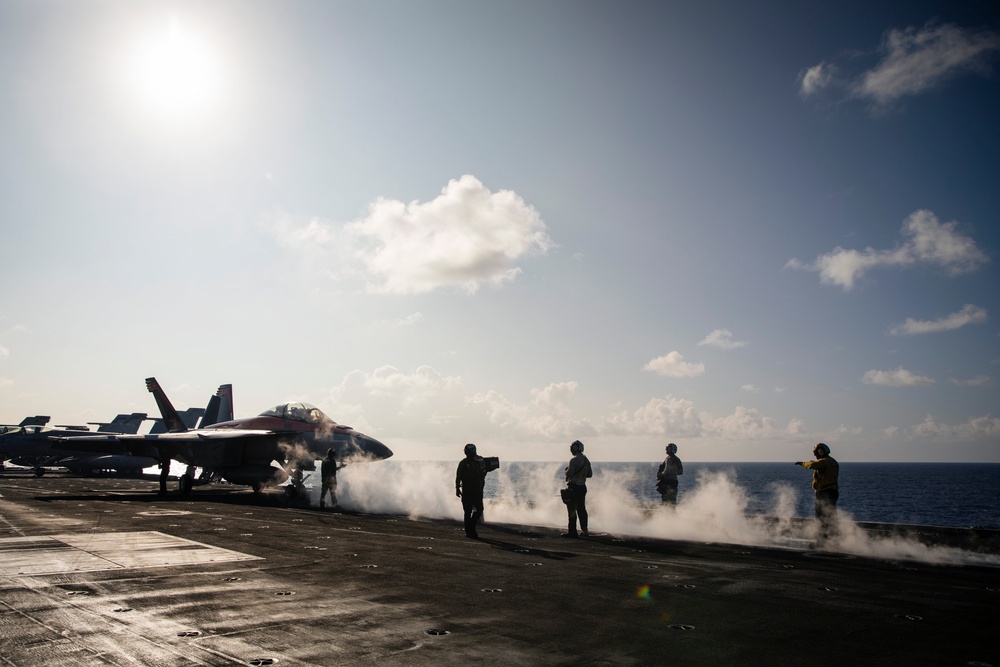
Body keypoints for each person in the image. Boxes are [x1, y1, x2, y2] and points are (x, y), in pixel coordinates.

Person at [795, 443, 840, 545]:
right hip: (833, 492)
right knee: (831, 517)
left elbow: (812, 465)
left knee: (821, 518)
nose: (815, 455)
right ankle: (834, 540)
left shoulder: (823, 462)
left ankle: (822, 542)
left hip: (824, 493)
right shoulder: (834, 462)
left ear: (821, 451)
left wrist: (802, 463)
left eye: (816, 453)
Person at [562, 440, 593, 537]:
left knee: (572, 510)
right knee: (582, 509)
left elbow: (570, 473)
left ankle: (572, 532)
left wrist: (566, 471)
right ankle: (585, 530)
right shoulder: (586, 460)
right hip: (582, 487)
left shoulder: (573, 460)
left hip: (574, 486)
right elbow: (590, 474)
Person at [455, 443, 486, 538]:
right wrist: (457, 488)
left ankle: (471, 527)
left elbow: (484, 472)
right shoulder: (463, 463)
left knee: (479, 509)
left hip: (477, 490)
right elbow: (458, 476)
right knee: (467, 511)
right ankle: (469, 532)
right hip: (467, 491)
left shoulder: (479, 461)